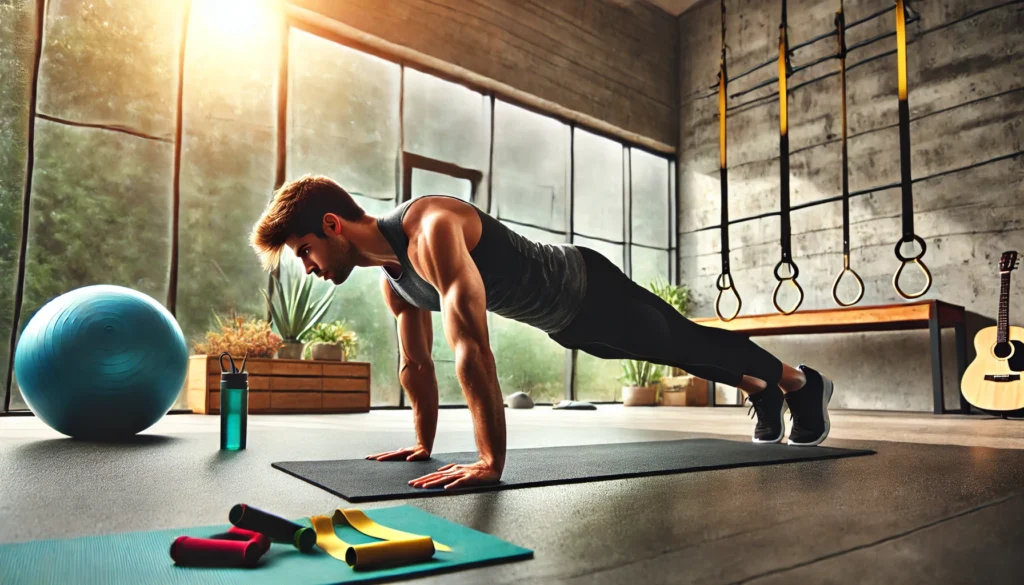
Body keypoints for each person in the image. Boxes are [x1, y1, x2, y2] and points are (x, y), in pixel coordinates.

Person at [249, 175, 834, 490]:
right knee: (673, 352)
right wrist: (424, 443)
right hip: (565, 321)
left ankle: (799, 382)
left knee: (681, 342)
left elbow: (471, 346)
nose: (309, 267)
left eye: (305, 251)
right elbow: (417, 365)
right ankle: (761, 389)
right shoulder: (393, 281)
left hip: (587, 285)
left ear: (332, 225)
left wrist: (489, 461)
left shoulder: (430, 226)